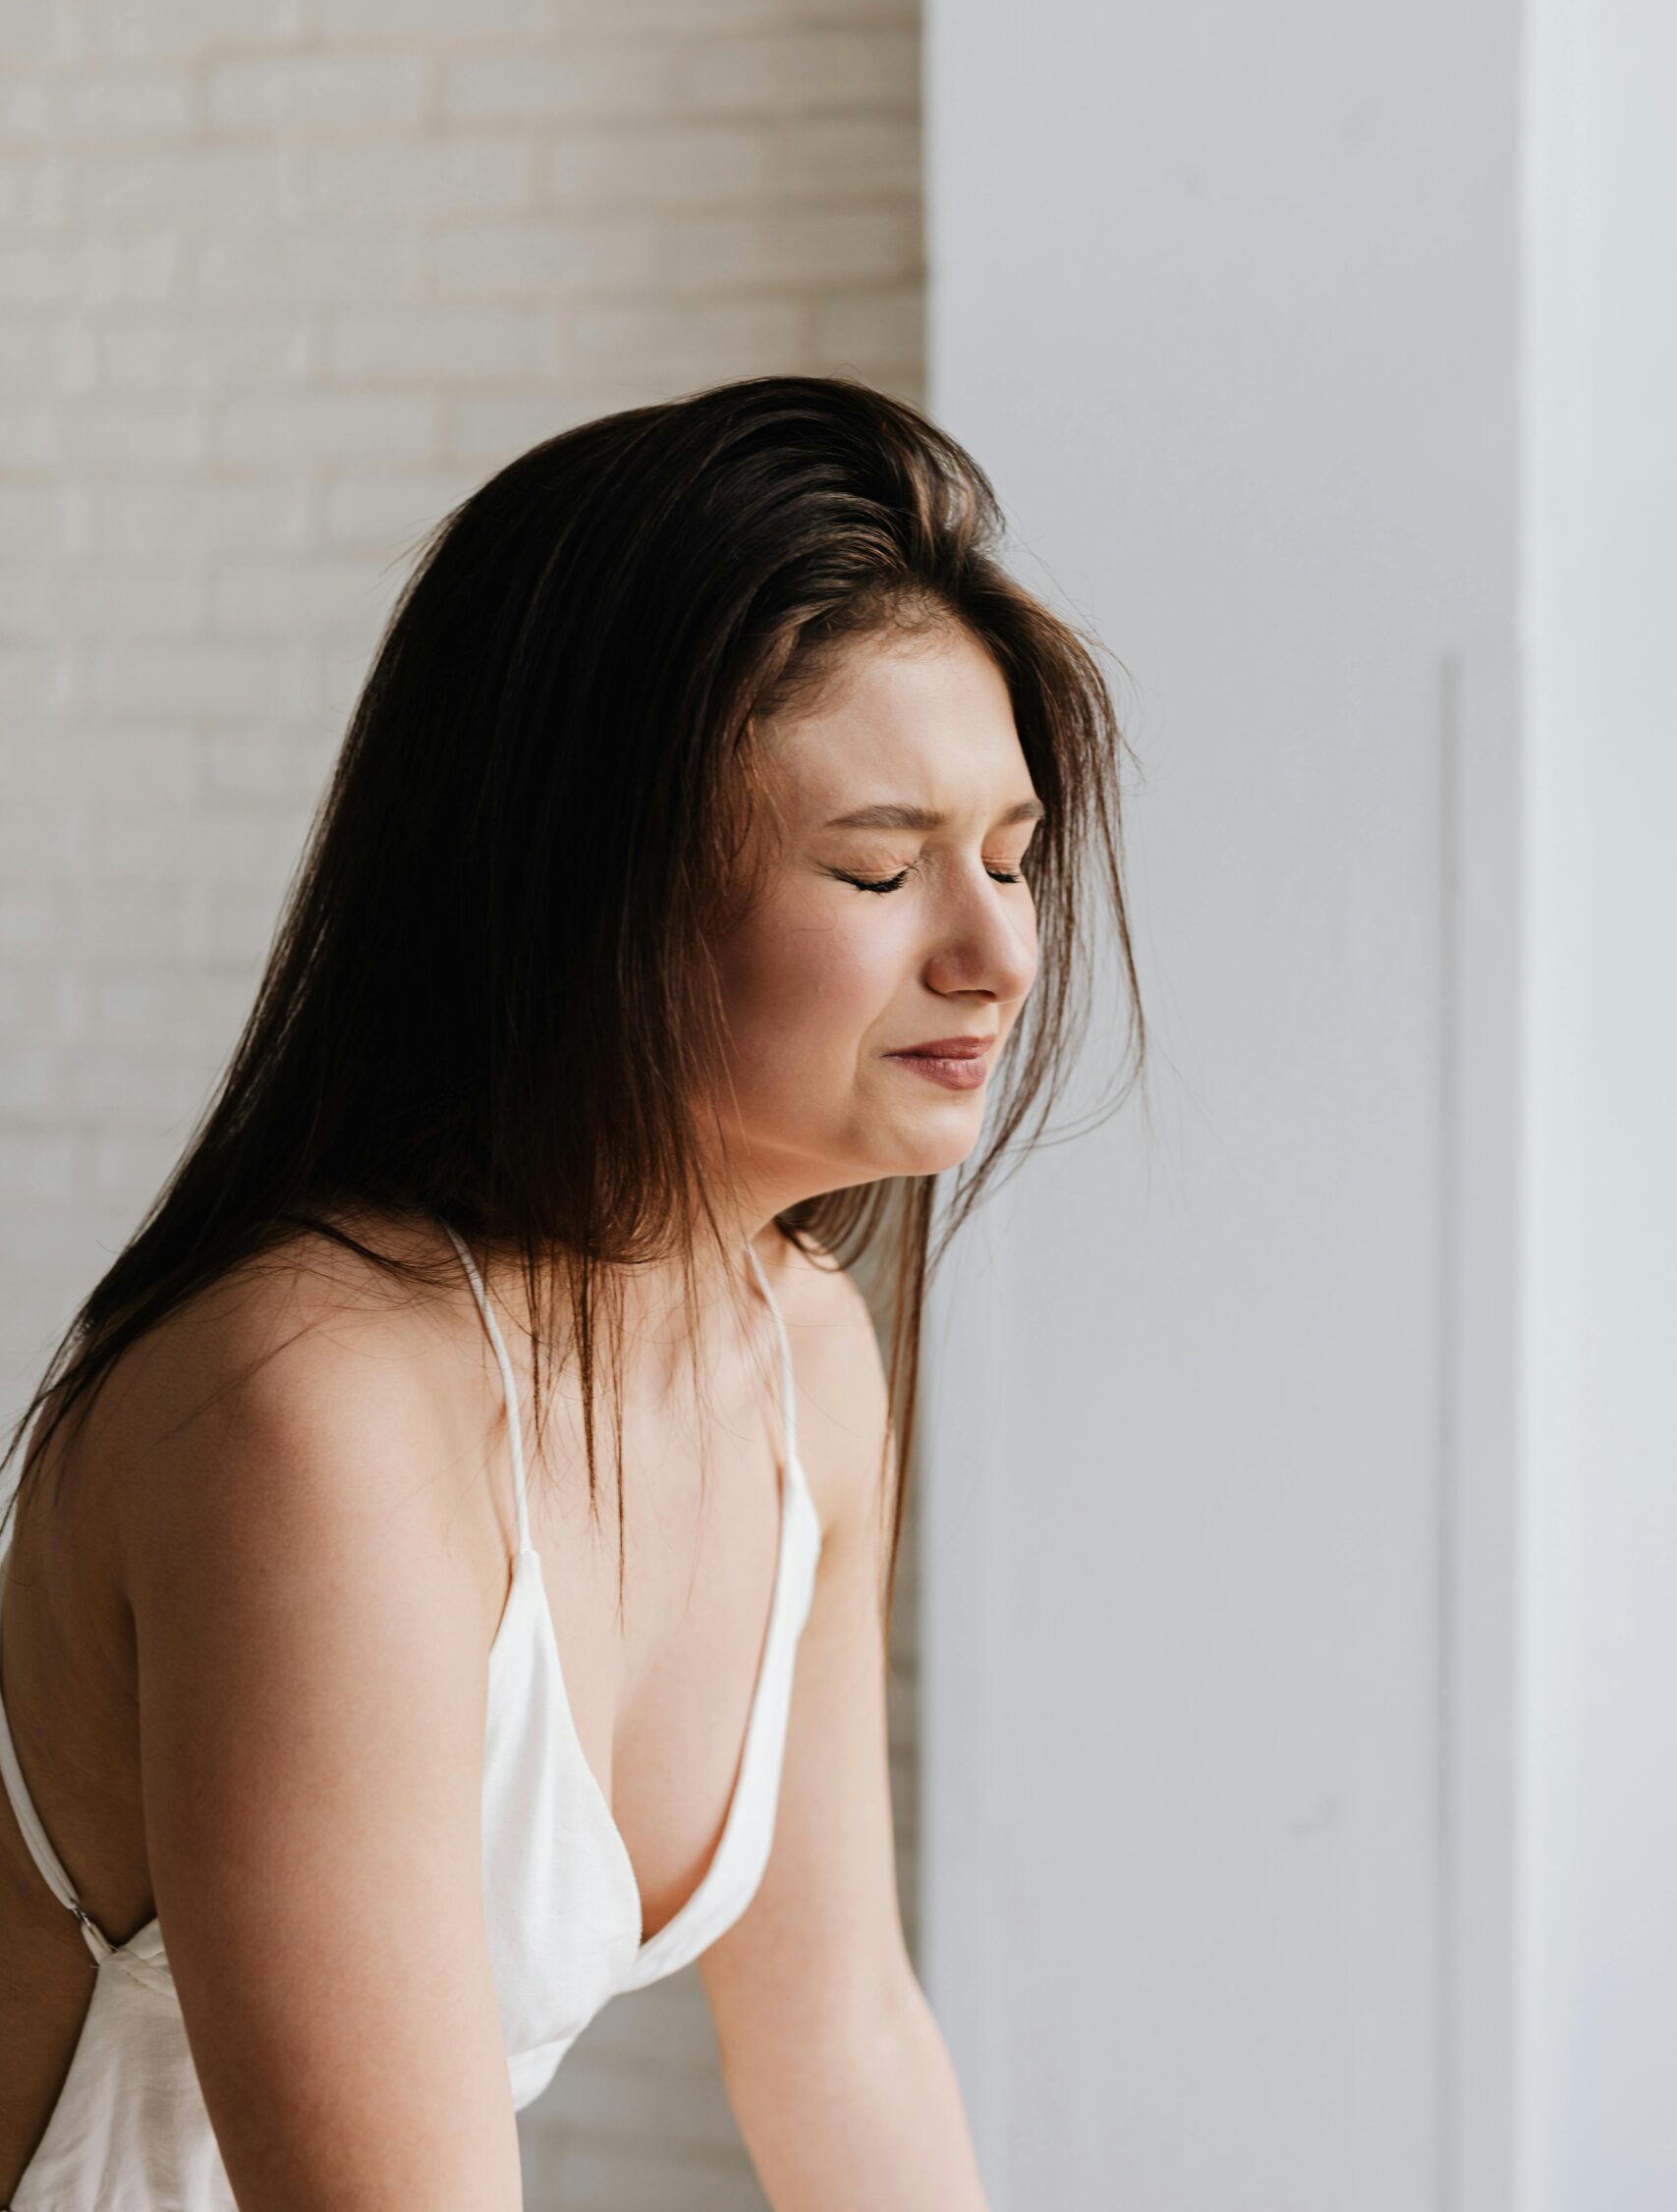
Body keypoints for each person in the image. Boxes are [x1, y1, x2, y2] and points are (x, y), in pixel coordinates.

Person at [0, 374, 1143, 2209]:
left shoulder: (808, 1371)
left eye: (1012, 858)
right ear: (588, 890)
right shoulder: (316, 1410)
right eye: (877, 863)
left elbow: (841, 2044)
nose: (999, 951)